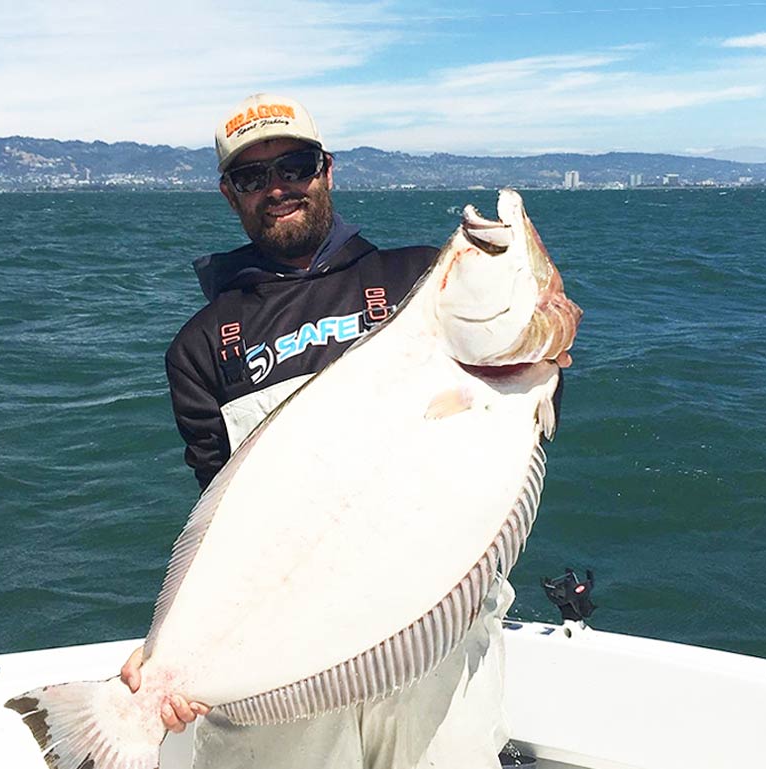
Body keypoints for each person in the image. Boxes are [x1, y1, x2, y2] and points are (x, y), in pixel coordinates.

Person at [120, 93, 516, 769]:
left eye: (295, 165)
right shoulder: (202, 344)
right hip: (292, 653)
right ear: (229, 194)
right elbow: (227, 521)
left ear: (326, 170)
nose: (278, 188)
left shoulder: (423, 276)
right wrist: (173, 650)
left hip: (433, 633)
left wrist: (544, 337)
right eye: (253, 177)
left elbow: (508, 403)